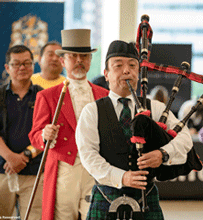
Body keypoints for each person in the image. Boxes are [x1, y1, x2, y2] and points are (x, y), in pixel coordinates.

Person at [76, 40, 194, 219]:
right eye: (118, 65)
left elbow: (185, 138)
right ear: (106, 74)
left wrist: (163, 154)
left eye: (132, 65)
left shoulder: (155, 108)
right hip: (106, 196)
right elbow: (88, 156)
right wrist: (121, 177)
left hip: (146, 198)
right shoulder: (92, 111)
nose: (126, 70)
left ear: (138, 73)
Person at [28, 29, 109, 220]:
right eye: (73, 56)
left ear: (90, 61)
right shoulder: (47, 96)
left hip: (95, 168)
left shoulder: (104, 95)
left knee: (95, 216)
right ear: (63, 61)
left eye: (84, 56)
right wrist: (44, 134)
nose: (79, 60)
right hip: (64, 168)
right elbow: (35, 135)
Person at [0, 45, 43, 219]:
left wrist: (24, 157)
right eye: (16, 64)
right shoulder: (0, 95)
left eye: (27, 63)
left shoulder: (43, 95)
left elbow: (47, 133)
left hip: (34, 172)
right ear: (7, 68)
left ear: (33, 66)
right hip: (3, 171)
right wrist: (11, 157)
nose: (22, 68)